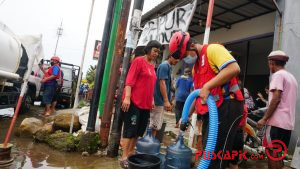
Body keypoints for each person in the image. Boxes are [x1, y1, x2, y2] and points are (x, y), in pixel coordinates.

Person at [169, 31, 244, 168]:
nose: (185, 59)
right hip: (214, 110)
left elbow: (234, 68)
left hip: (228, 105)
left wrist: (208, 86)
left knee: (215, 155)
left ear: (192, 46)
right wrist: (185, 116)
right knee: (208, 149)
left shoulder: (213, 50)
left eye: (185, 55)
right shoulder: (196, 67)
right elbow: (197, 94)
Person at [120, 40, 161, 169]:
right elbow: (129, 81)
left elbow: (151, 85)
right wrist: (127, 98)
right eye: (154, 51)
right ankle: (124, 157)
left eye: (158, 52)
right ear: (148, 49)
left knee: (138, 131)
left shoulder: (152, 65)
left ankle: (131, 153)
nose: (156, 54)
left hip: (145, 104)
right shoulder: (138, 61)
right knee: (130, 130)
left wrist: (152, 100)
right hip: (134, 102)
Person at [257, 50, 298, 169]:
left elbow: (276, 98)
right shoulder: (291, 78)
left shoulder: (278, 75)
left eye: (269, 63)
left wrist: (264, 119)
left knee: (272, 153)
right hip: (287, 124)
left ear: (272, 62)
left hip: (276, 123)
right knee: (278, 154)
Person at [150, 53, 180, 137]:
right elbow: (162, 83)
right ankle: (149, 145)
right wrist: (166, 101)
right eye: (176, 58)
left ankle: (151, 143)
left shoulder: (169, 67)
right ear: (170, 56)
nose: (177, 61)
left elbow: (168, 85)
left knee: (156, 125)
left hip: (160, 100)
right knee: (154, 125)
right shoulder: (164, 66)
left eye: (179, 59)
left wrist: (172, 98)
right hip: (158, 100)